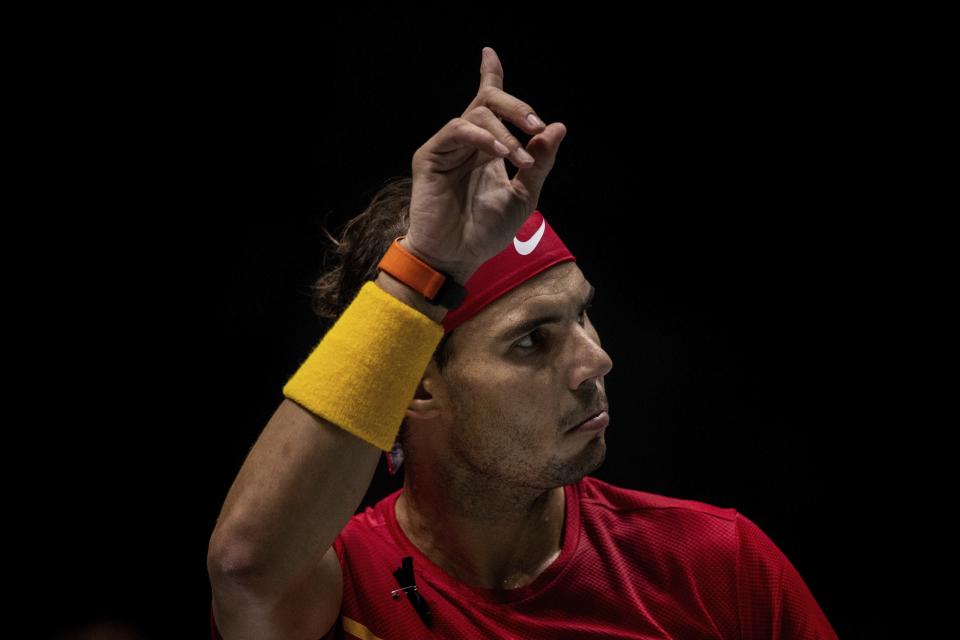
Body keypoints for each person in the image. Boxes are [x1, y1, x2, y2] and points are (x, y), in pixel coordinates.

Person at [207, 46, 838, 639]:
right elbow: (243, 569)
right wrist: (424, 262)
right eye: (533, 341)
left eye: (583, 316)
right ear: (418, 384)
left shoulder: (719, 565)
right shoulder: (343, 589)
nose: (596, 360)